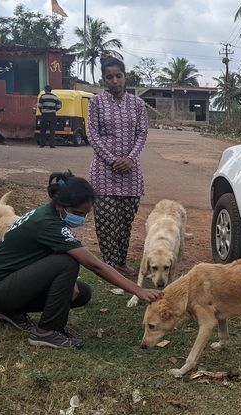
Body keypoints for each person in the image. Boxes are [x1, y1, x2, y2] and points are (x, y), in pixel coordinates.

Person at [0, 171, 162, 349]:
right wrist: (138, 290)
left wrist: (69, 283)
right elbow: (95, 265)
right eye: (79, 213)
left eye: (87, 213)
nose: (83, 218)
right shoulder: (47, 224)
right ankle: (46, 331)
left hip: (4, 283)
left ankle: (9, 310)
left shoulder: (47, 214)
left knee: (82, 293)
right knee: (67, 262)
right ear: (61, 207)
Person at [88, 57, 149, 276]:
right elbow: (92, 134)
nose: (115, 80)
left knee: (125, 222)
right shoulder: (96, 102)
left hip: (131, 172)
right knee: (106, 221)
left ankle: (121, 262)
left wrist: (130, 158)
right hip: (104, 171)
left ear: (125, 76)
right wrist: (113, 160)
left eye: (118, 76)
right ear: (104, 79)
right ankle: (110, 265)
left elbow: (142, 133)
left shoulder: (138, 104)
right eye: (109, 76)